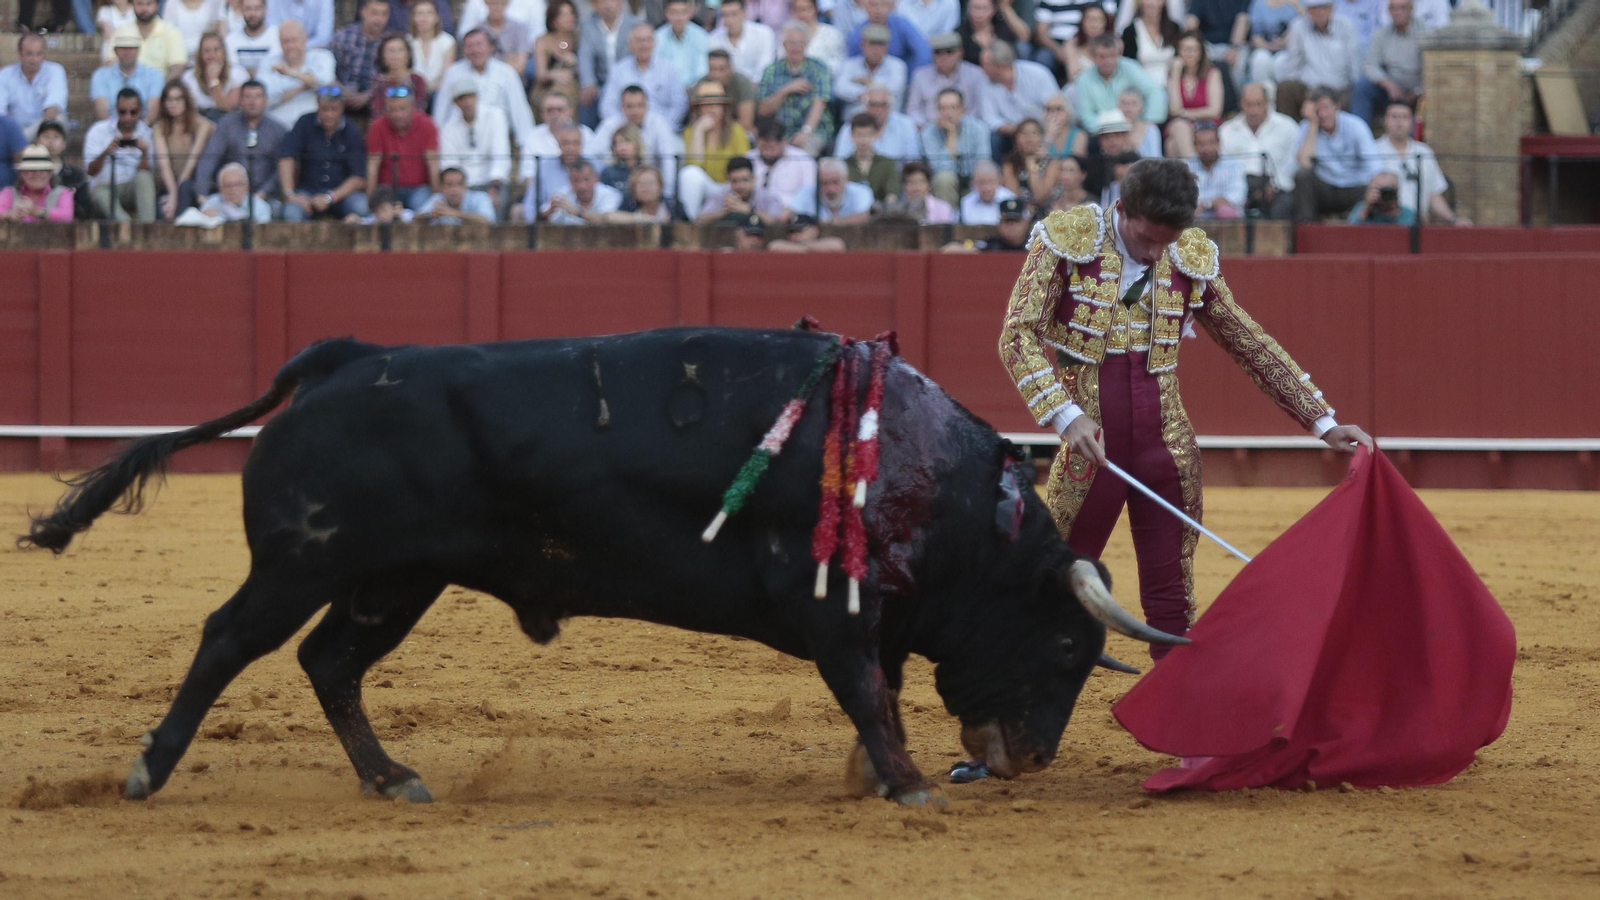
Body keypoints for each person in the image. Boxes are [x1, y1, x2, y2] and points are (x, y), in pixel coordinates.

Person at [996, 157, 1373, 684]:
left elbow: (1245, 338)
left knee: (1171, 594)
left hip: (1166, 451)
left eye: (1166, 242)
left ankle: (1180, 721)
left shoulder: (1188, 255)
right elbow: (1017, 334)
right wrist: (1066, 415)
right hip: (1091, 453)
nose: (1155, 254)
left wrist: (1322, 420)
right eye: (1148, 239)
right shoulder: (1066, 240)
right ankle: (1006, 721)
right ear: (1122, 209)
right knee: (1050, 583)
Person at [191, 79, 286, 209]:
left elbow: (282, 169)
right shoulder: (227, 124)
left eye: (257, 97)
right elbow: (210, 158)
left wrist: (262, 193)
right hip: (228, 194)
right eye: (248, 97)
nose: (252, 102)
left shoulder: (278, 130)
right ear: (240, 100)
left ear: (265, 101)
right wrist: (202, 194)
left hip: (266, 195)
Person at [277, 87, 368, 221]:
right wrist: (291, 194)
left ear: (342, 108)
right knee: (291, 213)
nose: (329, 114)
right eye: (325, 109)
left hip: (341, 194)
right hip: (307, 192)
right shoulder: (305, 123)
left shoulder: (351, 130)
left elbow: (359, 177)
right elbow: (286, 157)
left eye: (334, 109)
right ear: (318, 107)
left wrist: (330, 198)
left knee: (361, 206)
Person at [432, 29, 536, 147]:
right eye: (470, 46)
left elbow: (519, 111)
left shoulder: (506, 73)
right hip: (460, 138)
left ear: (491, 47)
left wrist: (526, 145)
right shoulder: (453, 73)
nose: (475, 50)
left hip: (496, 138)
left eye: (479, 45)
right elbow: (441, 111)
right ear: (464, 50)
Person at [1372, 100, 1466, 225]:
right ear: (1385, 120)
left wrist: (1453, 219)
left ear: (1411, 122)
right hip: (1384, 223)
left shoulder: (1424, 152)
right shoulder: (1372, 150)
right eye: (1394, 116)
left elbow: (1433, 195)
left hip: (1418, 224)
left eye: (1404, 117)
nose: (1399, 122)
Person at [1293, 86, 1377, 221]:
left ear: (1337, 106)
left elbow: (1373, 164)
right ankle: (1307, 226)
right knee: (1302, 176)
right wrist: (1313, 124)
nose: (1323, 114)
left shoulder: (1356, 125)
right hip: (1326, 187)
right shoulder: (1307, 126)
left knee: (1376, 186)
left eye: (1326, 108)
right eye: (1318, 110)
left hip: (1355, 186)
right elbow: (1304, 162)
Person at [1219, 81, 1298, 218]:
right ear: (1241, 104)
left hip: (1275, 186)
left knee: (1285, 204)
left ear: (1267, 103)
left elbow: (1293, 162)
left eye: (1258, 104)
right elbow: (1223, 166)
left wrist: (1275, 185)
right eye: (1249, 104)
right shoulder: (1226, 131)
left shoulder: (1287, 127)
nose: (1253, 110)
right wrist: (1237, 192)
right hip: (1239, 185)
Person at [1275, 0, 1361, 118]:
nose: (1320, 12)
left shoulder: (1346, 26)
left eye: (1324, 8)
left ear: (1331, 8)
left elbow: (1355, 65)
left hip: (1339, 90)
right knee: (1286, 88)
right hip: (1309, 90)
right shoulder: (1298, 26)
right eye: (1314, 8)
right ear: (1307, 10)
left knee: (1358, 92)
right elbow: (1293, 64)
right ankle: (1288, 133)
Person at [756, 23, 833, 154]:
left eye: (800, 43)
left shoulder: (819, 68)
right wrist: (785, 90)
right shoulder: (771, 70)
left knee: (806, 150)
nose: (796, 48)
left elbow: (820, 103)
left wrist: (806, 131)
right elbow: (764, 110)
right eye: (791, 43)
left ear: (806, 44)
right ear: (784, 45)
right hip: (778, 132)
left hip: (814, 130)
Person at [437, 76, 510, 209]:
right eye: (462, 98)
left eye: (470, 96)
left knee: (496, 204)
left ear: (477, 96)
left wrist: (493, 186)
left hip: (491, 181)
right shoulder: (448, 129)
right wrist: (459, 189)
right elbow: (450, 164)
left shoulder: (495, 117)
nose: (467, 102)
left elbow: (500, 155)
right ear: (455, 102)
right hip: (464, 186)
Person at [680, 81, 752, 215]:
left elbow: (743, 165)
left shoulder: (737, 131)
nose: (711, 109)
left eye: (716, 105)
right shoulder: (690, 132)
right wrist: (698, 132)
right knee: (690, 175)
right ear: (699, 108)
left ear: (723, 108)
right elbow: (694, 165)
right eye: (706, 105)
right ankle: (690, 223)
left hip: (731, 185)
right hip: (706, 186)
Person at [84, 88, 157, 221]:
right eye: (122, 112)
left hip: (131, 188)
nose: (127, 117)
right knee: (99, 194)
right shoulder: (98, 131)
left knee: (144, 177)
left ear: (140, 110)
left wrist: (144, 153)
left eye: (133, 112)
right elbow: (90, 171)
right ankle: (128, 229)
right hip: (104, 187)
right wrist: (106, 152)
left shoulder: (147, 133)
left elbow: (147, 174)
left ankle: (148, 227)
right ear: (116, 109)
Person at [1073, 33, 1165, 135]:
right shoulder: (1084, 80)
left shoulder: (1131, 67)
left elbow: (1155, 92)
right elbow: (1087, 118)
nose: (1108, 61)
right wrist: (1116, 126)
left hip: (1134, 128)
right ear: (1093, 57)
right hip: (1102, 134)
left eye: (1112, 56)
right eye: (1102, 57)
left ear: (1118, 54)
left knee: (1151, 131)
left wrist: (1145, 122)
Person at [365, 86, 439, 209]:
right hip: (387, 188)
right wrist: (371, 201)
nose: (398, 115)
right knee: (374, 209)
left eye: (402, 109)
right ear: (386, 110)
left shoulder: (427, 124)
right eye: (393, 110)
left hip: (419, 188)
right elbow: (373, 166)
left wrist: (437, 198)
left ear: (413, 107)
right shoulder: (377, 126)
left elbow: (433, 164)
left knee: (420, 204)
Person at [599, 23, 686, 126]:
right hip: (627, 131)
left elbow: (679, 105)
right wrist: (624, 128)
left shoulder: (669, 69)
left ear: (654, 43)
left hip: (661, 128)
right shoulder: (618, 70)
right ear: (630, 44)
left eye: (648, 40)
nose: (644, 45)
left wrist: (663, 126)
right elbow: (607, 106)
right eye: (639, 41)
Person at [1353, 0, 1424, 127]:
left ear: (1412, 9)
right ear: (1388, 11)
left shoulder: (1426, 33)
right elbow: (1370, 65)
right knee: (1362, 87)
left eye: (1402, 8)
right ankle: (1359, 134)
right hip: (1390, 93)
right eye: (1394, 8)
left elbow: (1430, 70)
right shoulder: (1381, 35)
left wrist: (1418, 91)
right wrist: (1388, 84)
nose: (1398, 12)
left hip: (1418, 93)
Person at [151, 79, 213, 216]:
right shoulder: (159, 128)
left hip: (193, 186)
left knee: (185, 190)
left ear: (186, 101)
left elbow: (192, 163)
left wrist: (176, 196)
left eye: (178, 99)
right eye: (169, 100)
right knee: (163, 208)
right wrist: (173, 194)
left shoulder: (202, 125)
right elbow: (164, 165)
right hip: (167, 186)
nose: (173, 104)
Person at [259, 19, 336, 129]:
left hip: (314, 128)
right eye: (286, 41)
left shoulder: (322, 57)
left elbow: (326, 83)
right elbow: (264, 100)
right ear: (279, 42)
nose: (290, 46)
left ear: (306, 38)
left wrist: (291, 73)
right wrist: (302, 87)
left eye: (294, 40)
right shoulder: (268, 63)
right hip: (278, 128)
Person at [921, 86, 991, 205]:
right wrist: (951, 136)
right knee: (944, 178)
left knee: (986, 179)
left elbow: (982, 164)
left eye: (953, 108)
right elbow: (941, 169)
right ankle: (946, 222)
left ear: (963, 109)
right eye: (943, 108)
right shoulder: (928, 133)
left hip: (973, 181)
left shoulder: (979, 128)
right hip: (944, 186)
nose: (948, 114)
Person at [978, 40, 1057, 144]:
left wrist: (1033, 130)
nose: (982, 69)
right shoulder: (985, 83)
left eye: (985, 65)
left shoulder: (1038, 74)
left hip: (1042, 129)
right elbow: (989, 118)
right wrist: (1017, 130)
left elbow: (1054, 105)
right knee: (993, 138)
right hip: (1009, 134)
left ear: (1001, 66)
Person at [907, 31, 989, 127]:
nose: (944, 57)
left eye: (949, 52)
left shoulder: (975, 74)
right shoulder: (920, 76)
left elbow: (980, 109)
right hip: (930, 131)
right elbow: (913, 110)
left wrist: (960, 126)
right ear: (932, 55)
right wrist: (929, 128)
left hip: (966, 131)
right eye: (938, 53)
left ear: (960, 53)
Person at [578, 0, 640, 123]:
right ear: (594, 5)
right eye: (602, 1)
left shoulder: (635, 24)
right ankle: (589, 136)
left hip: (628, 80)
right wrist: (588, 82)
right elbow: (585, 56)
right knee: (586, 97)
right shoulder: (588, 26)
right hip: (601, 81)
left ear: (621, 2)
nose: (608, 4)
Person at [1166, 31, 1224, 158]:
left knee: (1172, 143)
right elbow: (1175, 109)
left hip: (1207, 124)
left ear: (1201, 52)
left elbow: (1215, 110)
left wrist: (1186, 114)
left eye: (1194, 50)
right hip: (1182, 127)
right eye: (1185, 49)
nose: (1189, 54)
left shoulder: (1212, 73)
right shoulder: (1173, 75)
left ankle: (1193, 173)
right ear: (1178, 51)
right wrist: (1175, 74)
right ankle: (1196, 172)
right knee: (1178, 129)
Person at [0, 34, 68, 138]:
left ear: (44, 53)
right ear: (19, 53)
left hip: (44, 131)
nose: (34, 59)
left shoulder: (55, 71)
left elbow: (53, 109)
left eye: (39, 54)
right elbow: (1, 112)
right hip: (14, 131)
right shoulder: (5, 74)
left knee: (57, 120)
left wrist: (24, 138)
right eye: (29, 54)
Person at [835, 23, 907, 119]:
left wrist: (865, 83)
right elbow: (840, 89)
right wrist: (876, 90)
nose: (876, 49)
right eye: (872, 44)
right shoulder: (849, 64)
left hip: (887, 122)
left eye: (880, 44)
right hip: (854, 121)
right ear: (863, 45)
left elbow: (894, 88)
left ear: (887, 47)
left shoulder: (897, 65)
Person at [330, 0, 391, 113]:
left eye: (384, 14)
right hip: (341, 95)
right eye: (374, 13)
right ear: (363, 12)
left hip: (375, 99)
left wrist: (368, 95)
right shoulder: (343, 37)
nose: (379, 19)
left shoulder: (389, 43)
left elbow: (391, 75)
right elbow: (328, 70)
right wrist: (341, 90)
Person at [92, 31, 166, 121]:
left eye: (131, 48)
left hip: (145, 129)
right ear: (115, 51)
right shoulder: (101, 75)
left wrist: (139, 130)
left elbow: (153, 110)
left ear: (138, 50)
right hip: (110, 129)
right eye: (123, 48)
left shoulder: (154, 75)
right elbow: (102, 112)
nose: (127, 52)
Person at [832, 84, 919, 159]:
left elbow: (913, 161)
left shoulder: (906, 125)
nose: (878, 110)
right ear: (865, 105)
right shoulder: (850, 127)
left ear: (890, 106)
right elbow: (840, 160)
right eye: (873, 105)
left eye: (882, 105)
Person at [1034, 0, 1116, 78]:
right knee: (1043, 57)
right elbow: (1073, 76)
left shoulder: (1115, 44)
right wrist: (1058, 50)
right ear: (1082, 22)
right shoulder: (1071, 44)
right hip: (1058, 44)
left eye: (1098, 20)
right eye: (1090, 19)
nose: (1094, 24)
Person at [750, 116, 816, 206]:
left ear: (784, 141)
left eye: (774, 141)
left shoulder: (803, 160)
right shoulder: (747, 158)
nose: (770, 144)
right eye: (765, 141)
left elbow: (809, 192)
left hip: (791, 213)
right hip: (753, 212)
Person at [1184, 0, 1252, 89]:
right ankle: (1202, 97)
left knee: (1238, 64)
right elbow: (1192, 20)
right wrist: (1190, 44)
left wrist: (1234, 48)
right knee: (1195, 57)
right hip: (1208, 45)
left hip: (1234, 44)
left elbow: (1242, 20)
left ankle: (1237, 99)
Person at [846, 0, 931, 70]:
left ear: (891, 7)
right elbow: (852, 65)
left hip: (905, 78)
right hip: (870, 83)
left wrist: (914, 77)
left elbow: (922, 50)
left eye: (883, 4)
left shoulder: (901, 24)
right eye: (873, 5)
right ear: (865, 7)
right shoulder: (857, 34)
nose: (877, 10)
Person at [784, 157, 874, 223]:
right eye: (824, 183)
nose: (830, 189)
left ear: (846, 180)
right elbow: (785, 215)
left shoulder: (861, 192)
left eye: (835, 182)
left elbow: (868, 216)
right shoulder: (807, 192)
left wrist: (830, 223)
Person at [0, 144, 74, 223]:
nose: (37, 174)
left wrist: (36, 211)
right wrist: (9, 214)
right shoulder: (9, 192)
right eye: (31, 170)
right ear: (21, 174)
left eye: (43, 170)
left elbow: (66, 216)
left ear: (50, 173)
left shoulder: (63, 193)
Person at [696, 155, 780, 222]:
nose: (740, 186)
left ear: (753, 179)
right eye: (735, 181)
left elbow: (775, 222)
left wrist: (749, 211)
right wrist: (725, 213)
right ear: (728, 180)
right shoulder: (721, 196)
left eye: (745, 180)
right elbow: (699, 220)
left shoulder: (767, 197)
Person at [712, 0, 778, 85]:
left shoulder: (764, 34)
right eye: (725, 15)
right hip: (725, 90)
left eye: (734, 14)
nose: (729, 20)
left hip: (758, 88)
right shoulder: (713, 39)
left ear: (744, 13)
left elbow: (765, 70)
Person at [1002, 116, 1060, 211]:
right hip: (1021, 213)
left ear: (1042, 137)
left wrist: (1031, 162)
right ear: (1016, 138)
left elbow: (1040, 196)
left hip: (1050, 211)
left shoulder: (1052, 162)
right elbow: (1013, 196)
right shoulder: (1010, 164)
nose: (1029, 138)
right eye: (1024, 133)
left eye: (1034, 133)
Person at [1186, 123, 1244, 218]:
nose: (1207, 148)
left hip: (1224, 215)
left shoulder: (1233, 164)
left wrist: (1208, 204)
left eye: (1211, 143)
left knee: (1225, 212)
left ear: (1219, 143)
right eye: (1201, 144)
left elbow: (1238, 196)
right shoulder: (1186, 166)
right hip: (1195, 215)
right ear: (1194, 145)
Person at [537, 159, 623, 222]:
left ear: (596, 179)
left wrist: (575, 212)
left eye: (586, 179)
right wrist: (549, 212)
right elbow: (540, 218)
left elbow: (605, 219)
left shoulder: (611, 194)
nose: (582, 186)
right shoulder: (561, 195)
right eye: (576, 180)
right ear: (569, 180)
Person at [842, 112, 899, 201]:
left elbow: (892, 193)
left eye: (868, 135)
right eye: (859, 135)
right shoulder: (842, 165)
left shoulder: (887, 163)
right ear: (852, 136)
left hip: (881, 212)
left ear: (876, 135)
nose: (864, 140)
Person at [186, 31, 245, 118]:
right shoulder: (188, 78)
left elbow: (226, 107)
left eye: (216, 50)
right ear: (200, 55)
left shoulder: (238, 73)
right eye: (206, 51)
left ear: (224, 52)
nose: (212, 55)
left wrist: (214, 80)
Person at [123, 0, 188, 78]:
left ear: (157, 5)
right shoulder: (122, 32)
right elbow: (110, 63)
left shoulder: (172, 32)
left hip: (163, 86)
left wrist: (163, 89)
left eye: (149, 4)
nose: (144, 8)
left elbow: (178, 65)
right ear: (132, 5)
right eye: (140, 4)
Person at [370, 34, 430, 119]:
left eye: (400, 50)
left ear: (408, 55)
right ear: (383, 56)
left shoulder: (417, 81)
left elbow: (419, 110)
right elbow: (376, 112)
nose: (395, 55)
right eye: (391, 51)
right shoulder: (378, 81)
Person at [1123, 0, 1179, 89]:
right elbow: (1128, 65)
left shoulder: (1174, 29)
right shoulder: (1130, 32)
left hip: (1172, 87)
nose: (1152, 3)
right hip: (1141, 87)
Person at [944, 195, 1033, 251]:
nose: (1011, 226)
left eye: (1016, 221)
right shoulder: (992, 246)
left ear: (1026, 223)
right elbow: (951, 249)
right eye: (1007, 221)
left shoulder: (1035, 246)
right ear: (1000, 224)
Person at [191, 160, 271, 222]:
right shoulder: (211, 204)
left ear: (247, 186)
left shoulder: (260, 206)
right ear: (220, 189)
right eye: (228, 185)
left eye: (238, 184)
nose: (233, 189)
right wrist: (205, 217)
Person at [1242, 0, 1298, 86]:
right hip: (1264, 47)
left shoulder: (1294, 3)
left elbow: (1300, 27)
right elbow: (1256, 35)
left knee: (1281, 61)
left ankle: (1282, 95)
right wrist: (1269, 46)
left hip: (1287, 48)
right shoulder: (1258, 4)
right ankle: (1262, 95)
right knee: (1260, 59)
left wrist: (1284, 42)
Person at [655, 0, 709, 87]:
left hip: (695, 90)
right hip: (665, 89)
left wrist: (692, 88)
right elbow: (656, 69)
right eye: (674, 12)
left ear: (690, 14)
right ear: (666, 14)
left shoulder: (701, 36)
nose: (679, 17)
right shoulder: (657, 37)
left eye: (683, 12)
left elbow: (702, 70)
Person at [416, 166, 497, 223]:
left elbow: (488, 221)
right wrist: (430, 215)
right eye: (449, 185)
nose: (455, 189)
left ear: (465, 186)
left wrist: (455, 214)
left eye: (459, 184)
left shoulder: (481, 197)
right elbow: (415, 219)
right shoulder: (437, 199)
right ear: (442, 187)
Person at [958, 0, 1025, 69]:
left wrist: (1005, 7)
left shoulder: (1001, 27)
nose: (979, 14)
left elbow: (1023, 36)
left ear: (994, 9)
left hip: (1003, 74)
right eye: (975, 8)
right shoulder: (960, 34)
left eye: (984, 8)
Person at [407, 0, 456, 93]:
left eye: (429, 13)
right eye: (419, 13)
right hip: (412, 90)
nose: (423, 18)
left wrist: (429, 89)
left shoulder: (448, 41)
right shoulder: (407, 41)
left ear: (437, 17)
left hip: (438, 90)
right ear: (413, 17)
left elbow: (446, 76)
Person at [36, 120, 89, 205]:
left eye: (56, 137)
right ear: (37, 142)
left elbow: (84, 209)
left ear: (63, 144)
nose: (51, 142)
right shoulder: (29, 173)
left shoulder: (76, 175)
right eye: (46, 137)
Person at [706, 49, 758, 133]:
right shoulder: (703, 84)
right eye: (712, 69)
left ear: (730, 68)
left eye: (721, 69)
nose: (716, 75)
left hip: (737, 132)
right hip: (710, 132)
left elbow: (746, 123)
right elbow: (694, 120)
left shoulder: (742, 83)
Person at [884, 160, 954, 222]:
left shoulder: (943, 208)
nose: (916, 188)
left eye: (921, 182)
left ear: (929, 185)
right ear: (904, 186)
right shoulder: (896, 210)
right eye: (911, 182)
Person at [225, 0, 279, 77]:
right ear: (241, 10)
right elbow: (233, 72)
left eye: (257, 8)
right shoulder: (231, 40)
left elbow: (274, 69)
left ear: (265, 10)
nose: (252, 13)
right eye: (248, 9)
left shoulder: (276, 35)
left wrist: (246, 72)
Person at [479, 0, 534, 75]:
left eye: (501, 3)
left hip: (513, 80)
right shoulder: (478, 30)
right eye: (493, 3)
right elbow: (477, 65)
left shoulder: (519, 28)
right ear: (485, 2)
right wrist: (508, 61)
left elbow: (520, 66)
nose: (497, 7)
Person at [610, 164, 682, 221]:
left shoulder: (673, 205)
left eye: (650, 183)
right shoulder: (629, 204)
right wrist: (649, 219)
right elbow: (611, 217)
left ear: (660, 186)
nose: (646, 188)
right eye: (641, 184)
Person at [792, 0, 845, 73]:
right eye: (798, 10)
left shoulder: (832, 33)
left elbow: (838, 64)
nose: (802, 14)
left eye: (806, 9)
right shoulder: (788, 34)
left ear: (815, 10)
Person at [960, 158, 1016, 223]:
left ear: (999, 181)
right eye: (981, 182)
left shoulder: (1010, 199)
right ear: (973, 182)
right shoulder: (965, 204)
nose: (987, 188)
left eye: (991, 182)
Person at [1346, 170, 1413, 224]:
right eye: (1379, 189)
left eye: (1389, 190)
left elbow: (1411, 235)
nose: (1384, 194)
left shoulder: (1408, 214)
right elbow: (1350, 231)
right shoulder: (1361, 209)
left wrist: (1395, 212)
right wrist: (1367, 209)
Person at [267, 0, 333, 51]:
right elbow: (271, 31)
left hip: (313, 52)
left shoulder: (324, 1)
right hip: (279, 51)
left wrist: (296, 47)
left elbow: (323, 38)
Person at [766, 213, 847, 251]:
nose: (795, 235)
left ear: (814, 231)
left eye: (799, 231)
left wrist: (806, 245)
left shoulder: (823, 244)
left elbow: (838, 245)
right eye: (792, 232)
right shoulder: (786, 246)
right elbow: (774, 246)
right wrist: (803, 248)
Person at [599, 123, 642, 191]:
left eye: (627, 141)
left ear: (637, 144)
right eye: (617, 143)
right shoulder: (608, 173)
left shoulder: (646, 171)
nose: (622, 147)